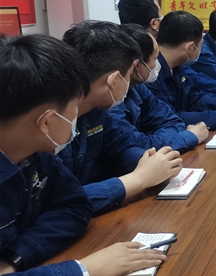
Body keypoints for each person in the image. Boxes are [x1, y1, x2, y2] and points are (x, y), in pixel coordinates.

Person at [0, 34, 167, 276]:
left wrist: (15, 259)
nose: (79, 114)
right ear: (47, 122)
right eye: (75, 106)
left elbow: (73, 206)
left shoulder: (36, 152)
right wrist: (84, 270)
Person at [60, 21, 183, 215]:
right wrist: (139, 178)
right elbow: (58, 201)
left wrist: (149, 161)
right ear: (114, 80)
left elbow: (120, 147)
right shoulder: (52, 125)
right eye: (128, 75)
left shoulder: (96, 111)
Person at [118, 0, 216, 105]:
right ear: (154, 24)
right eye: (161, 16)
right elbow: (167, 117)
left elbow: (195, 87)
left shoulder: (173, 64)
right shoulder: (148, 72)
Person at [110, 24, 209, 152]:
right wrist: (188, 137)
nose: (158, 64)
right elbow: (137, 145)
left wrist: (161, 140)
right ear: (137, 65)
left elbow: (172, 120)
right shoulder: (109, 102)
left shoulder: (137, 87)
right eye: (156, 58)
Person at [149, 11, 216, 130]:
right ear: (190, 48)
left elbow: (194, 99)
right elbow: (170, 118)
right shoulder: (151, 75)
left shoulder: (176, 67)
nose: (202, 50)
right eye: (201, 45)